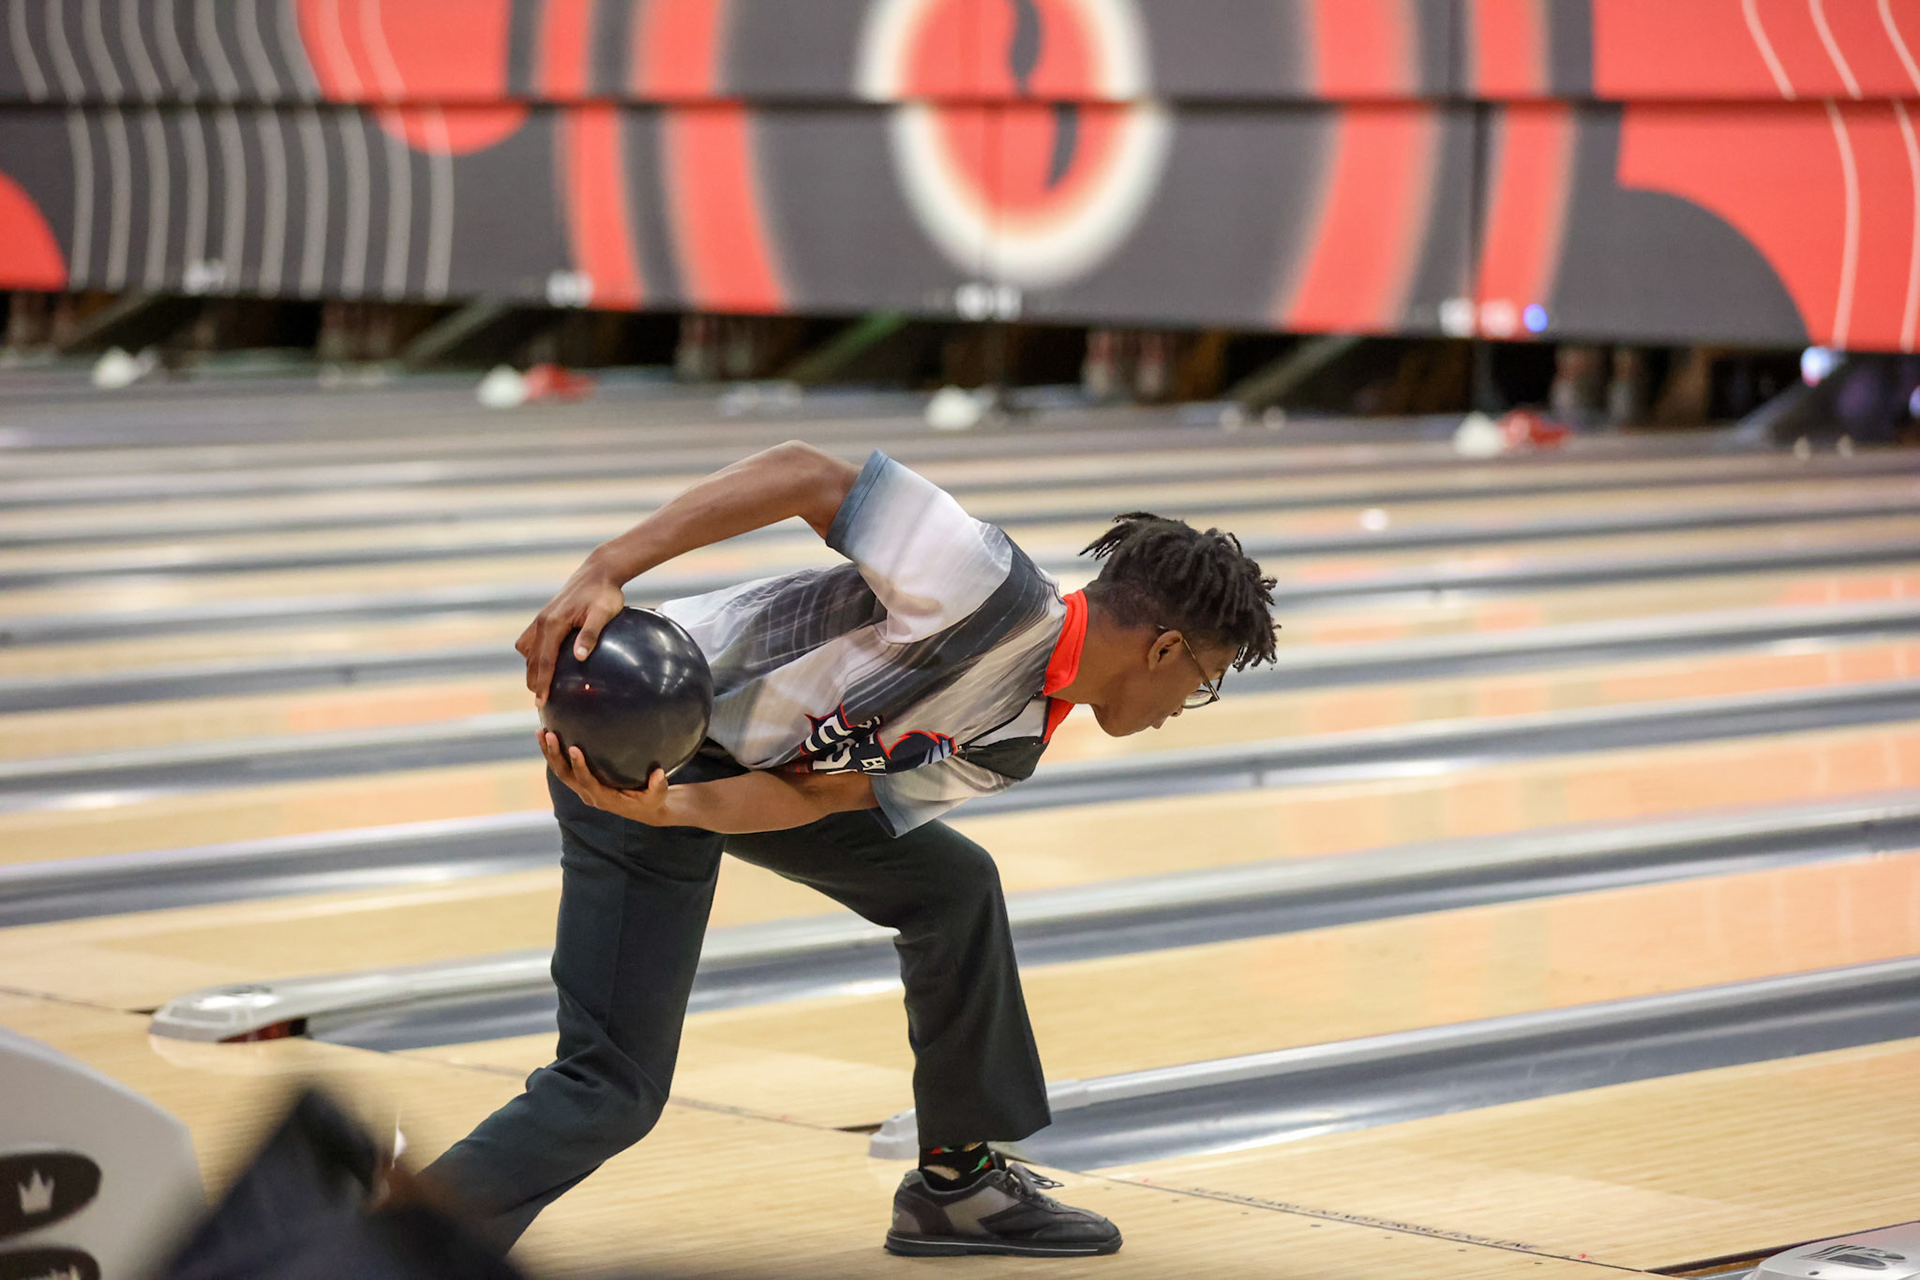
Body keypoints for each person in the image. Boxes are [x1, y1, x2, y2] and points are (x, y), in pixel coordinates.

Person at [423, 440, 1278, 1258]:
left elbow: (814, 795)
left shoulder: (1014, 740)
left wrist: (676, 815)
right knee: (612, 1090)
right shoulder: (983, 582)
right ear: (1163, 648)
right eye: (1200, 683)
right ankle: (376, 1244)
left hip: (691, 789)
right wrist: (609, 566)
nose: (1184, 705)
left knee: (954, 886)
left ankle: (958, 1185)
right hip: (634, 735)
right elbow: (802, 475)